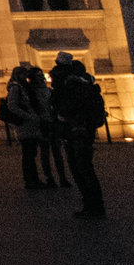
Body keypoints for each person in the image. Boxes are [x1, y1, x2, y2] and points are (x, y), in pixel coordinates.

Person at [49, 53, 106, 218]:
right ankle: (91, 205)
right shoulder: (82, 82)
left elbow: (72, 107)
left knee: (83, 169)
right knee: (80, 169)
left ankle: (95, 206)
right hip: (77, 131)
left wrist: (62, 114)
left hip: (78, 132)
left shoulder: (74, 85)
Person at [0, 65, 47, 188]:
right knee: (28, 154)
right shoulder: (15, 88)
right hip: (25, 125)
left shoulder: (23, 87)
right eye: (23, 74)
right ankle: (31, 180)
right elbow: (12, 106)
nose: (25, 76)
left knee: (31, 153)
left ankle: (33, 179)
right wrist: (28, 116)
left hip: (31, 124)